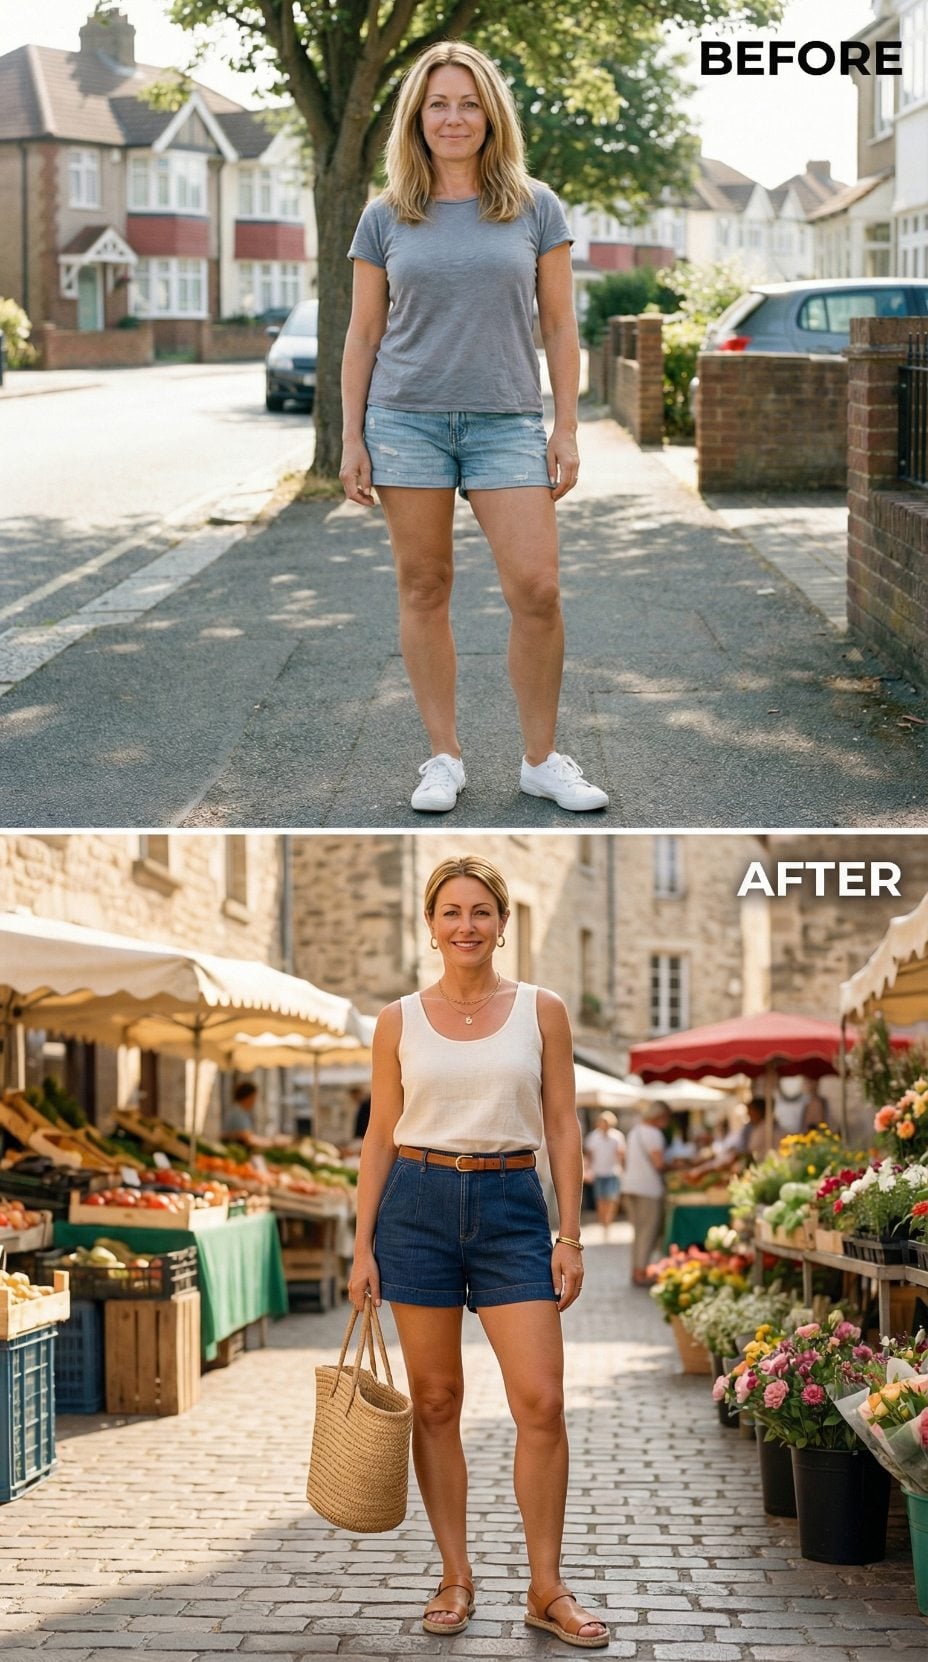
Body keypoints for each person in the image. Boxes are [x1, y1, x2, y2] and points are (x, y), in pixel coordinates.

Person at [340, 41, 608, 817]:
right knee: (425, 586)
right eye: (437, 105)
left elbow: (560, 327)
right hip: (406, 422)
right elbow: (362, 336)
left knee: (539, 589)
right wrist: (352, 438)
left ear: (490, 115)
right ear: (416, 119)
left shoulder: (534, 205)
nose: (453, 118)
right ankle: (443, 757)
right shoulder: (385, 215)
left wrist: (567, 425)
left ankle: (541, 760)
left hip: (507, 421)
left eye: (467, 103)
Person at [348, 854, 608, 1648]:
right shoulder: (398, 1019)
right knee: (435, 1402)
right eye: (451, 912)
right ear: (430, 926)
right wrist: (360, 1246)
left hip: (510, 1208)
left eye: (482, 912)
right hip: (415, 1211)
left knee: (541, 1402)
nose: (467, 925)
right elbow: (379, 1137)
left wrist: (569, 1232)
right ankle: (455, 1575)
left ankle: (546, 1585)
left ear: (502, 923)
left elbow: (563, 1126)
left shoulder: (543, 1010)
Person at [623, 1100, 671, 1287]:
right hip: (648, 1188)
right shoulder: (654, 1133)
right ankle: (641, 1272)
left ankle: (637, 1270)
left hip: (629, 1186)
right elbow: (659, 1163)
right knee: (648, 1232)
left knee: (638, 1231)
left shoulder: (635, 1131)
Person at [583, 1110, 625, 1231]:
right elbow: (589, 1155)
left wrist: (622, 1169)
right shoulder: (593, 1137)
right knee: (600, 1199)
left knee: (612, 1199)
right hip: (599, 1171)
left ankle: (608, 1221)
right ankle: (603, 1222)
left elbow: (621, 1154)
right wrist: (587, 1169)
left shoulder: (617, 1136)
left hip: (613, 1171)